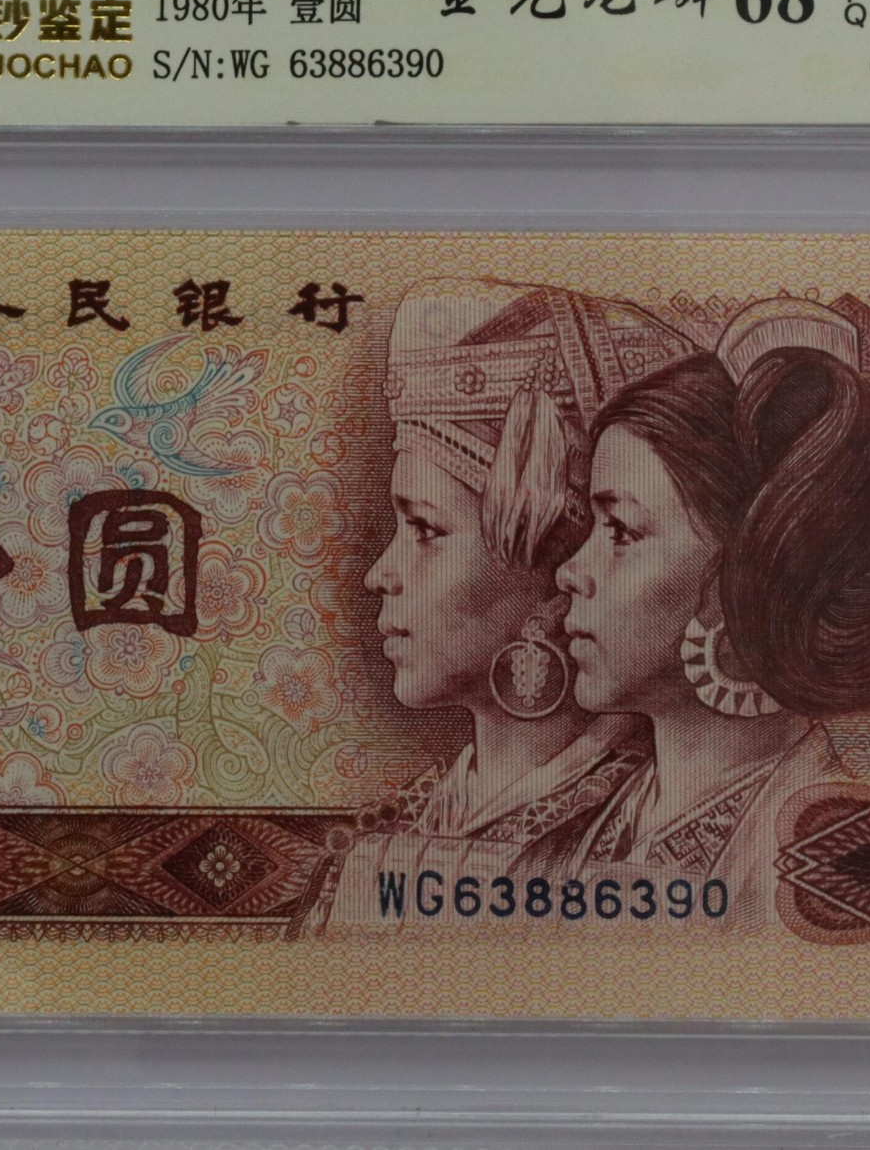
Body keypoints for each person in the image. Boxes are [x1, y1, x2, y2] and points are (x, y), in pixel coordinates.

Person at [296, 280, 697, 932]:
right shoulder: (391, 835)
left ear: (556, 573)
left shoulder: (652, 840)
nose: (379, 574)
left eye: (425, 529)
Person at [549, 298, 870, 926]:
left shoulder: (839, 864)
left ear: (747, 573)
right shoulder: (573, 831)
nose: (569, 572)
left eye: (622, 531)